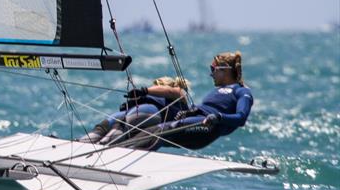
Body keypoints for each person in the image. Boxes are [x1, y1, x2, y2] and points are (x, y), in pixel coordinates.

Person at [80, 51, 253, 150]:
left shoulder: (242, 91)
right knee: (154, 130)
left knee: (157, 131)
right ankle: (94, 147)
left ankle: (111, 153)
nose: (211, 73)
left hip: (208, 127)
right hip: (196, 120)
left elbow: (241, 117)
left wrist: (219, 118)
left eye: (213, 69)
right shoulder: (218, 91)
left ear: (225, 70)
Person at [79, 76, 191, 145]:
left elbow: (170, 91)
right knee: (107, 131)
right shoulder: (176, 98)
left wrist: (144, 91)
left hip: (140, 113)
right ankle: (93, 145)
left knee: (111, 127)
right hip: (145, 113)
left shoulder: (178, 92)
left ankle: (86, 144)